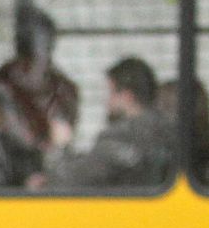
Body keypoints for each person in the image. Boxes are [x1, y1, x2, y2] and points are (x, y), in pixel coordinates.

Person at [0, 7, 80, 188]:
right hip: (6, 177)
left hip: (51, 177)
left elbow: (62, 139)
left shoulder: (64, 90)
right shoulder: (0, 85)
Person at [44, 56, 172, 190]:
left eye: (111, 93)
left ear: (127, 96)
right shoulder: (169, 131)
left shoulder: (120, 137)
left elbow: (68, 181)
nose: (108, 103)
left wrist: (60, 147)